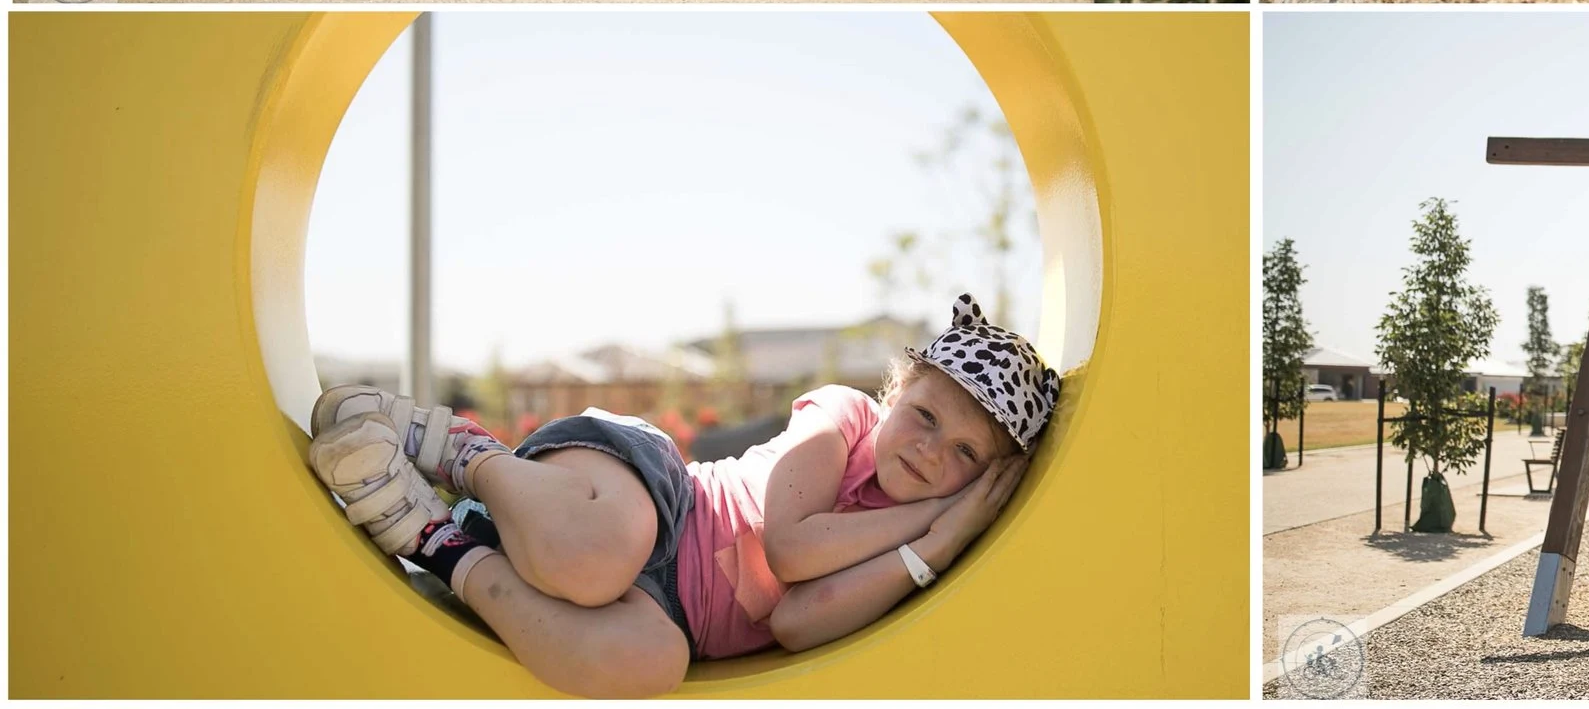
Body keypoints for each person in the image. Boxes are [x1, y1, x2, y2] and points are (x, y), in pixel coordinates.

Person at [304, 294, 1054, 696]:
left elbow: (795, 623)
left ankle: (434, 542)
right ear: (895, 394)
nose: (930, 453)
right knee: (597, 556)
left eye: (964, 456)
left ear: (982, 479)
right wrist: (930, 518)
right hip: (653, 498)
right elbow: (789, 549)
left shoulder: (915, 546)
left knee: (648, 668)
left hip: (670, 616)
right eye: (925, 417)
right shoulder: (844, 416)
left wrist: (931, 551)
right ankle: (464, 454)